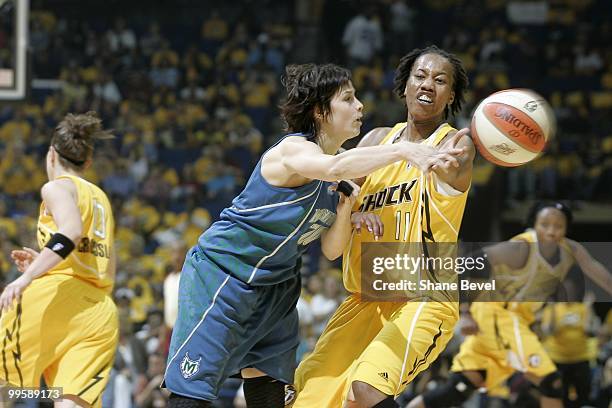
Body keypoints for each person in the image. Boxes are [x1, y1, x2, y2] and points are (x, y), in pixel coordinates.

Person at [162, 62, 466, 408]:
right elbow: (336, 167)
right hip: (227, 272)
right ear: (322, 111)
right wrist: (403, 149)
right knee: (193, 390)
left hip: (277, 283)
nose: (360, 106)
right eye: (349, 99)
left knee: (270, 384)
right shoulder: (294, 151)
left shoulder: (337, 175)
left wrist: (348, 213)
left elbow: (332, 251)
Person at [293, 45, 474, 408]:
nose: (428, 84)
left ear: (450, 95)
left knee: (365, 391)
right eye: (420, 76)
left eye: (440, 81)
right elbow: (333, 190)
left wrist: (459, 156)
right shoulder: (377, 141)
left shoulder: (454, 143)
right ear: (405, 86)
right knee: (307, 396)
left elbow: (457, 166)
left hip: (424, 298)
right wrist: (351, 213)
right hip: (363, 300)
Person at [407, 202, 612, 408]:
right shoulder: (521, 248)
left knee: (460, 387)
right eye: (545, 224)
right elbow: (470, 263)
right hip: (497, 314)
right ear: (533, 224)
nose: (552, 230)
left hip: (513, 321)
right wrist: (466, 312)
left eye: (558, 225)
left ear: (566, 228)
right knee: (551, 382)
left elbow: (600, 275)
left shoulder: (571, 250)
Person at [0, 112, 117, 408]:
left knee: (4, 388)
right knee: (69, 401)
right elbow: (101, 262)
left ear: (51, 154)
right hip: (99, 310)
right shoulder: (101, 198)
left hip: (55, 299)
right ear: (88, 162)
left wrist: (27, 277)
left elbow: (71, 231)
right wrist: (46, 261)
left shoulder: (56, 187)